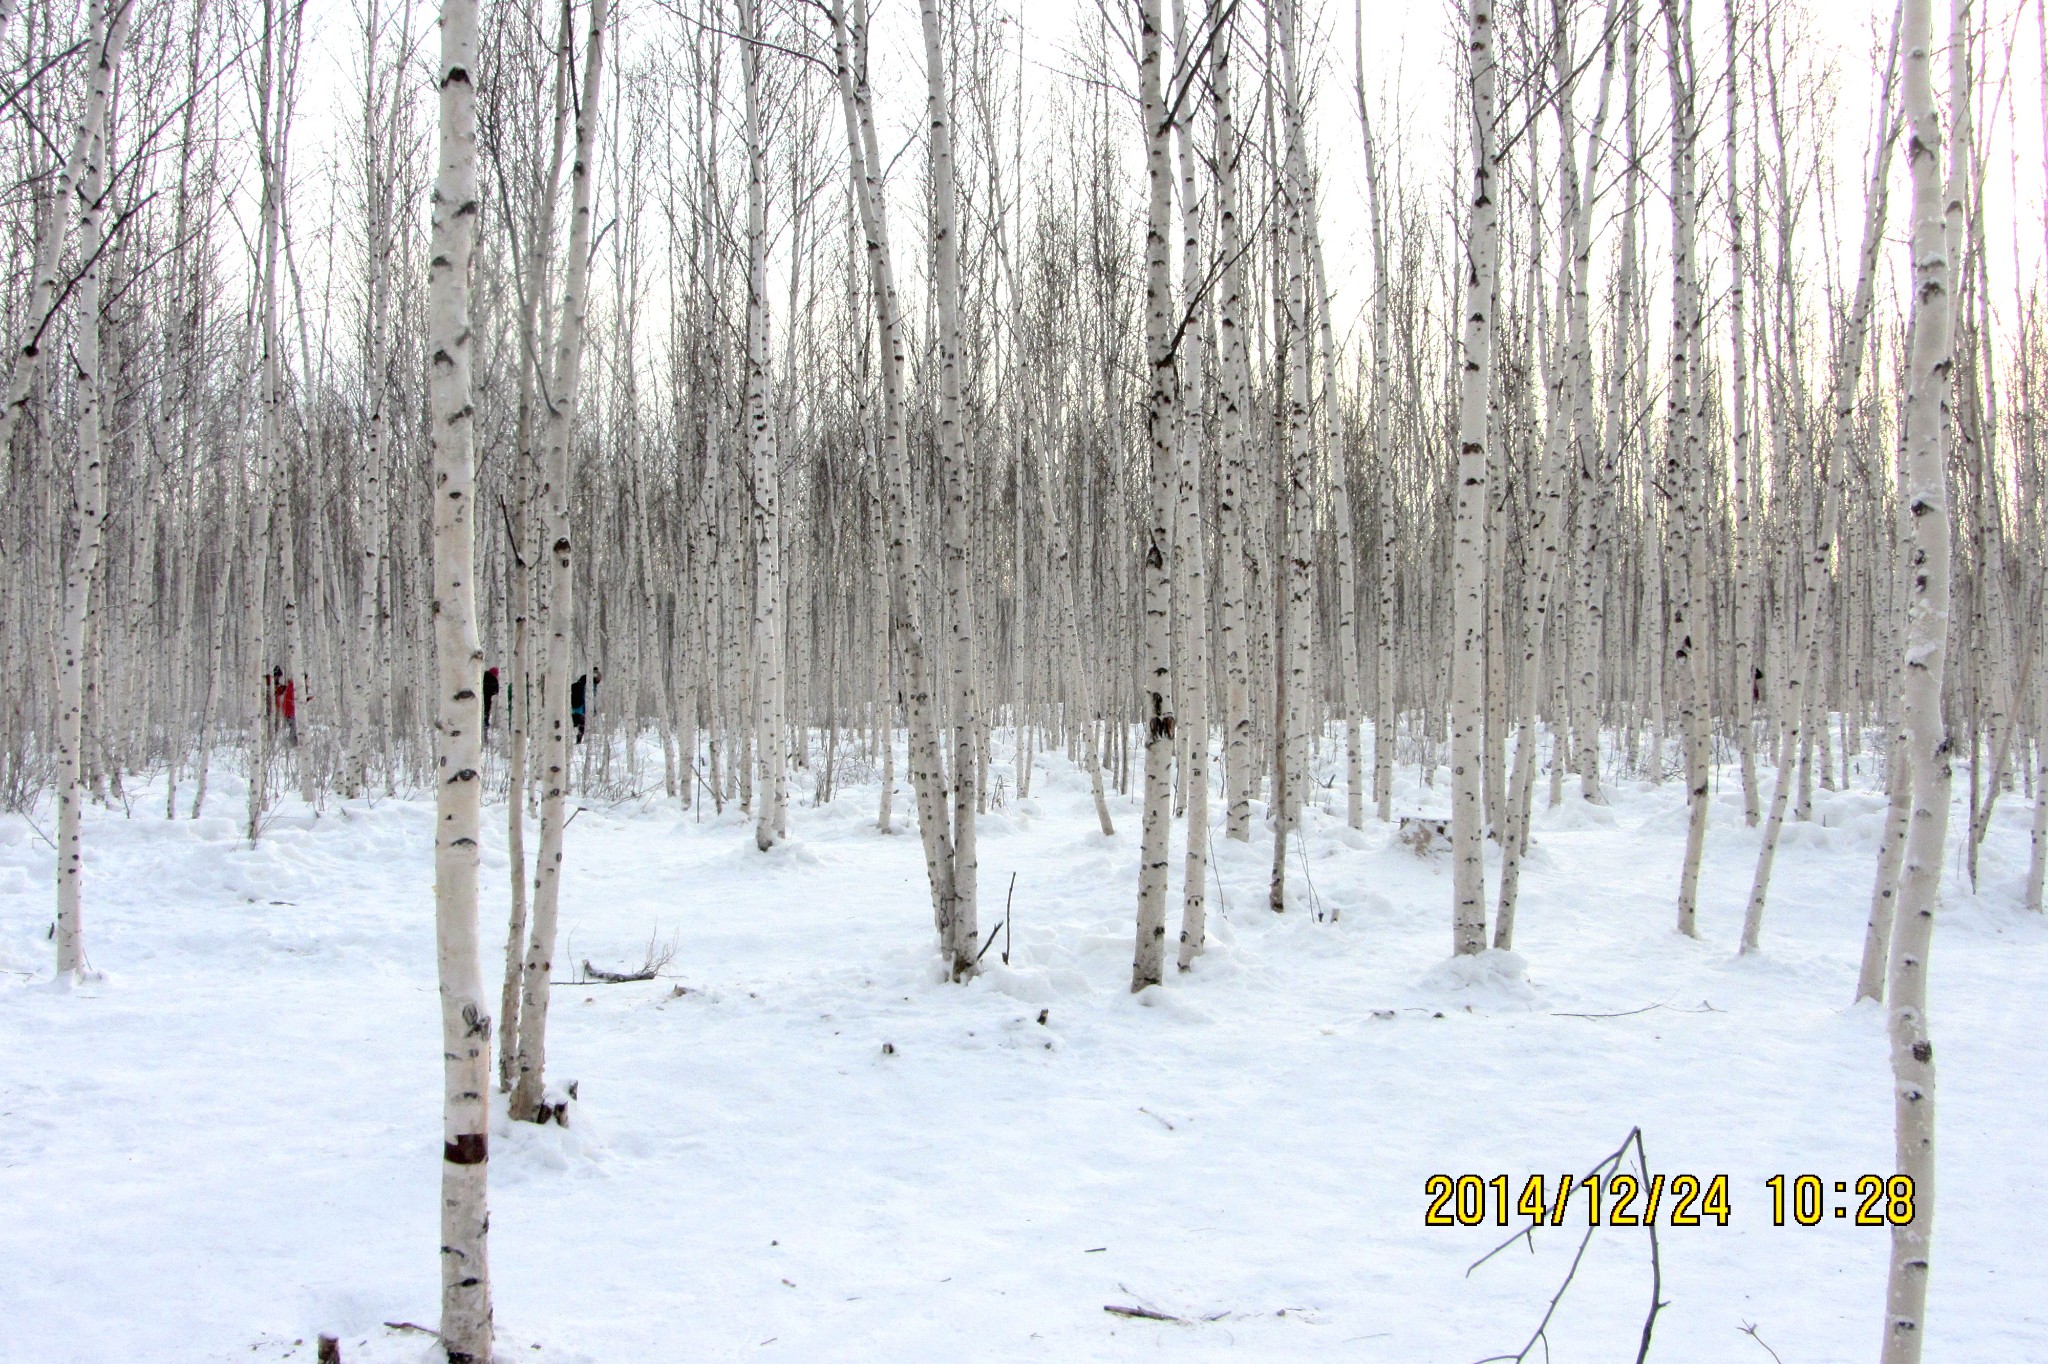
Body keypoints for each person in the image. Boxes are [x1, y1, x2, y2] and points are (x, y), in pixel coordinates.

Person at [569, 667, 600, 743]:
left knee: (572, 726)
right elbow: (589, 699)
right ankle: (578, 742)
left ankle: (570, 742)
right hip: (581, 710)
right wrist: (593, 709)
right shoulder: (590, 686)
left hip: (573, 709)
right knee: (581, 727)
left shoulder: (581, 682)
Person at [269, 667, 298, 747]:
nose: (278, 678)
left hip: (276, 707)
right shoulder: (269, 683)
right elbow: (274, 691)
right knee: (272, 726)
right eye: (278, 676)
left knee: (276, 726)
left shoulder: (275, 684)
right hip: (271, 708)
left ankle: (272, 742)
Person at [482, 666, 500, 735]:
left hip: (479, 699)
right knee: (486, 716)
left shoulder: (482, 676)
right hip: (487, 701)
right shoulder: (493, 679)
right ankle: (485, 734)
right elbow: (496, 690)